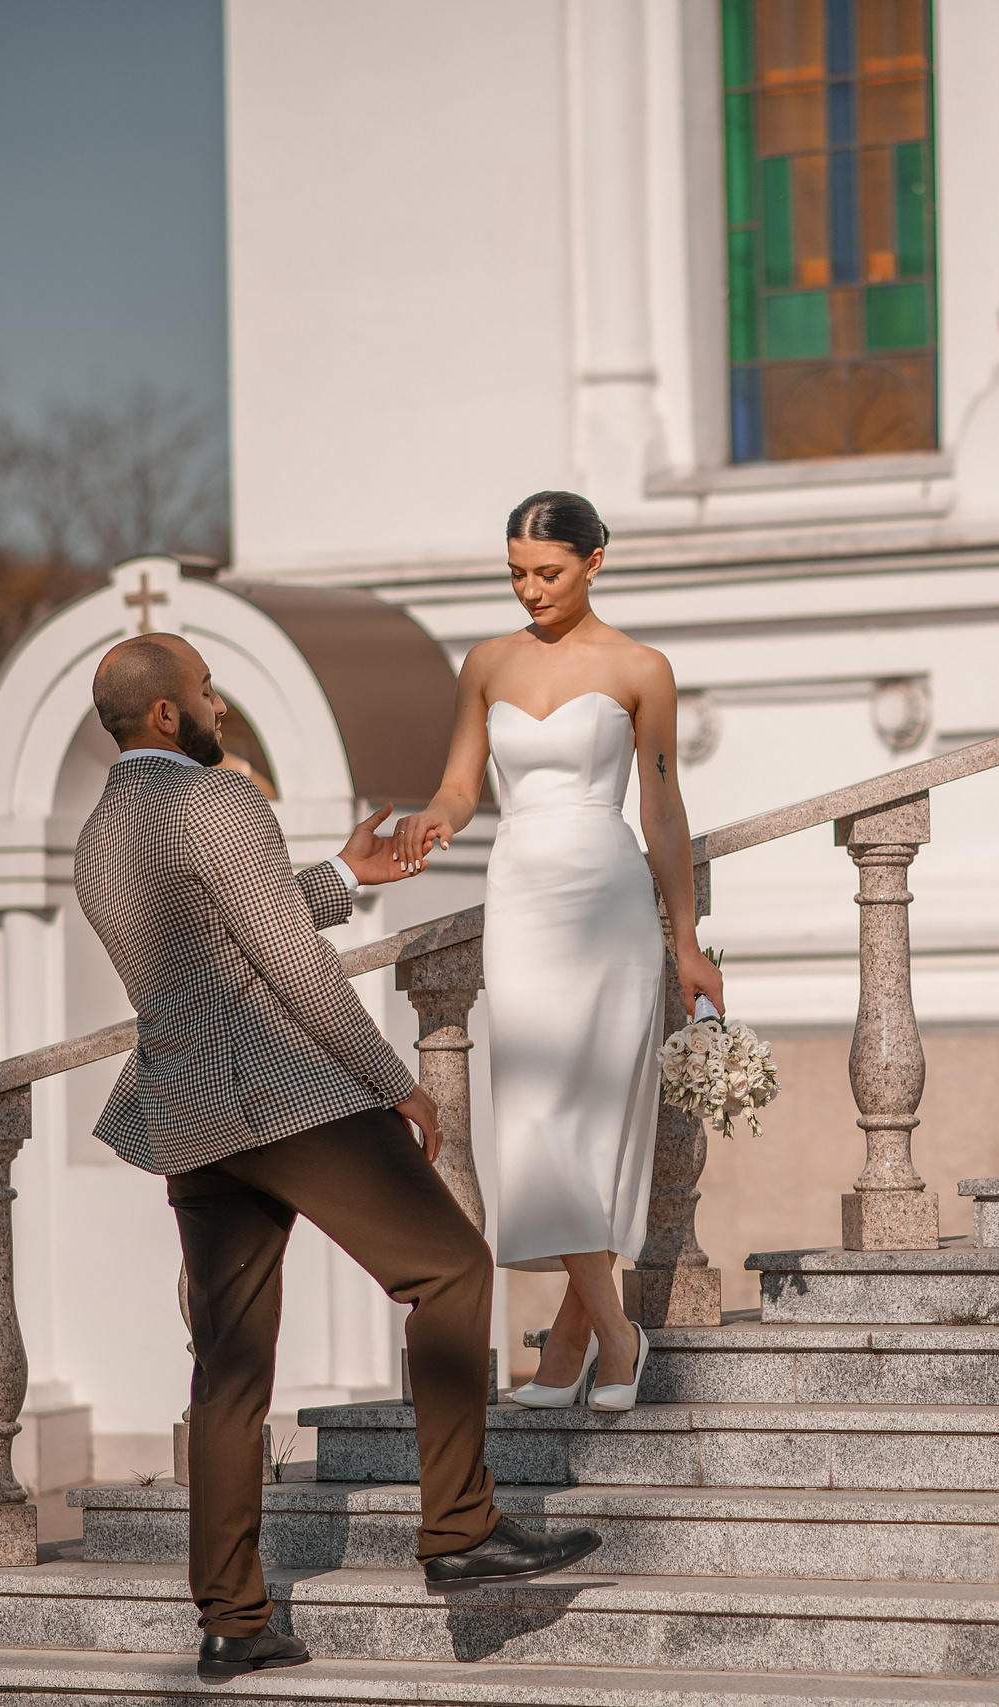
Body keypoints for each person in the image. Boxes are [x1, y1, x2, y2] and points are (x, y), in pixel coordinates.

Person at [72, 632, 599, 1681]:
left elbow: (220, 926)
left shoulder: (99, 837)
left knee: (227, 1374)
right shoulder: (218, 802)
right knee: (450, 1270)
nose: (221, 704)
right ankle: (460, 1531)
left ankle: (231, 1620)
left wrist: (340, 876)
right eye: (208, 691)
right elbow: (289, 967)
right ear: (170, 714)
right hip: (283, 1095)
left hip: (191, 1118)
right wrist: (392, 1079)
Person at [394, 491, 723, 1412]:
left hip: (609, 897)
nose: (529, 590)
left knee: (599, 1111)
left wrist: (684, 938)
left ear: (594, 560)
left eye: (547, 572)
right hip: (523, 897)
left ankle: (576, 1341)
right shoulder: (487, 663)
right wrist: (433, 820)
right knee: (536, 1113)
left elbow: (661, 807)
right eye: (515, 573)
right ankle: (617, 1332)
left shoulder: (641, 668)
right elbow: (462, 786)